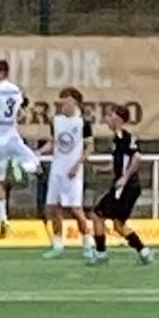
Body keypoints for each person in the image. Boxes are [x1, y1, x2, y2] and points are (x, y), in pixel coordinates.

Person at [0, 59, 43, 239]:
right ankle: (28, 167)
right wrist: (20, 113)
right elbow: (24, 105)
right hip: (12, 134)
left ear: (1, 73)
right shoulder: (16, 89)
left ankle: (2, 219)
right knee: (29, 157)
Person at [91, 108, 155, 266]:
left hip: (125, 187)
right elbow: (121, 162)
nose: (107, 119)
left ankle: (101, 254)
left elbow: (137, 158)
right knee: (118, 224)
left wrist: (124, 178)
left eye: (110, 116)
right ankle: (144, 252)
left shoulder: (124, 137)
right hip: (127, 186)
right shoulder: (117, 138)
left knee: (97, 215)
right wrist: (103, 169)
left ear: (118, 119)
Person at [41, 88, 96, 261]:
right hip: (57, 170)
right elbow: (53, 143)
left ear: (74, 102)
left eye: (65, 101)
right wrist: (38, 152)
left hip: (73, 172)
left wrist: (77, 165)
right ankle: (58, 245)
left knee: (75, 209)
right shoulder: (56, 121)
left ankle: (88, 244)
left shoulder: (83, 122)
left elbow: (90, 147)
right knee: (53, 208)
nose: (62, 105)